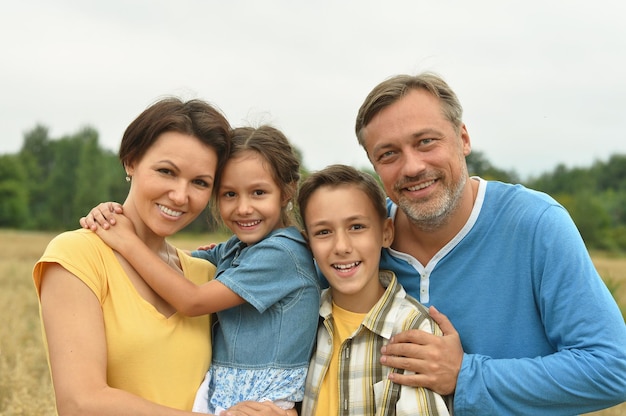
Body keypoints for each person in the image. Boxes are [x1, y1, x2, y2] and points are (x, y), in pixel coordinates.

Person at [353, 72, 626, 414]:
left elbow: (614, 368)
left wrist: (466, 375)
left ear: (463, 139)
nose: (412, 166)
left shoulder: (536, 224)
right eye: (389, 154)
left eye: (426, 142)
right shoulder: (358, 242)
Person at [34, 97, 293, 416]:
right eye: (167, 171)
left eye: (200, 182)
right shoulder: (78, 255)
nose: (180, 196)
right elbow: (80, 403)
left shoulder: (206, 274)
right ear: (131, 161)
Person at [81, 126, 320, 415]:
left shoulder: (282, 253)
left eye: (258, 192)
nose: (243, 208)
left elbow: (193, 301)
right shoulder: (236, 249)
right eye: (229, 194)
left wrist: (127, 241)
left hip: (264, 405)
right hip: (227, 397)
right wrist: (117, 218)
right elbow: (171, 262)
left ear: (287, 191)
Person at [297, 164, 451, 416]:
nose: (342, 246)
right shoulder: (304, 318)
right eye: (323, 232)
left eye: (356, 227)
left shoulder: (413, 329)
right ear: (308, 245)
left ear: (386, 233)